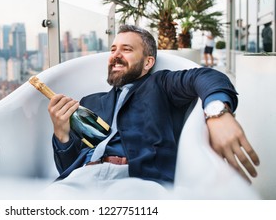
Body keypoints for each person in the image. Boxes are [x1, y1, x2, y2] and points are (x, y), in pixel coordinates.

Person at [45, 24, 259, 196]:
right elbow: (68, 166)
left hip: (137, 180)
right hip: (79, 180)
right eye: (113, 50)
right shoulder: (89, 102)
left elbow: (207, 76)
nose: (116, 55)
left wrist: (217, 113)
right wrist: (61, 133)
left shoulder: (161, 85)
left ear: (148, 62)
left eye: (126, 49)